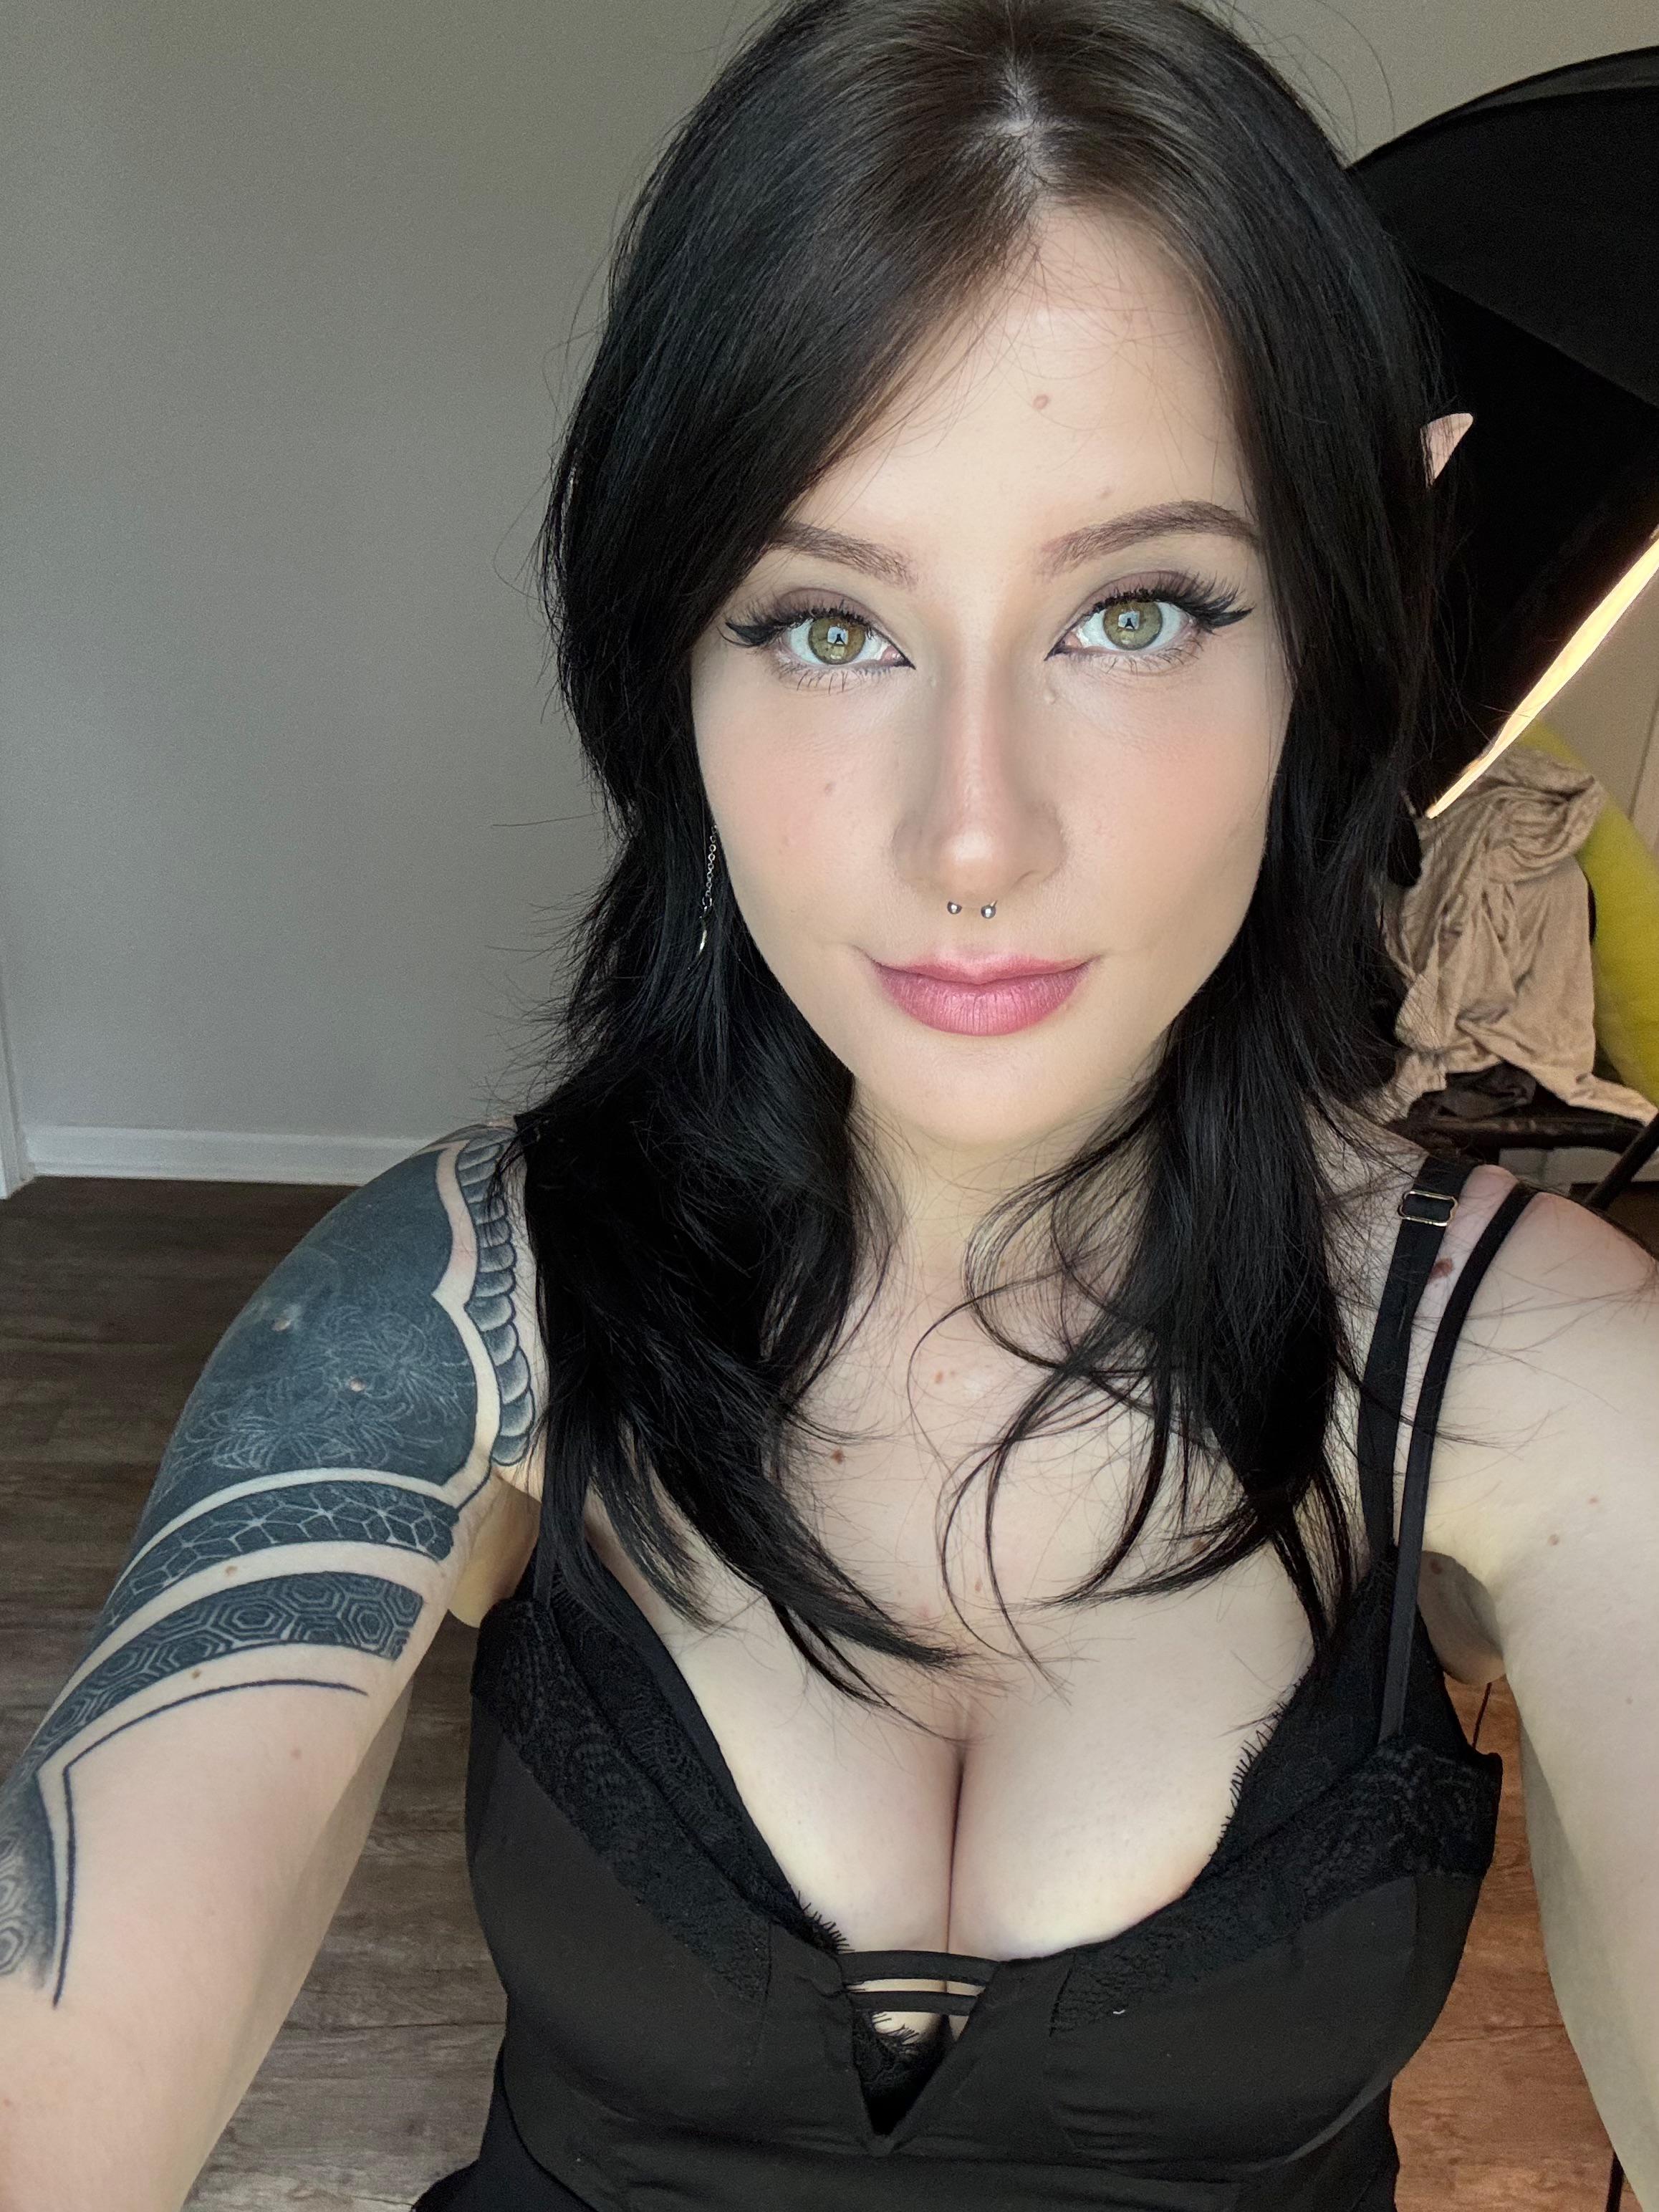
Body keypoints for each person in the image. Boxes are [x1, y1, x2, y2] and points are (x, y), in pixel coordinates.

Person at [2, 2, 1656, 2207]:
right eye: (824, 625)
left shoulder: (1562, 1386)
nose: (971, 833)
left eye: (1135, 613)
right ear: (668, 650)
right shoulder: (462, 1313)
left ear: (1347, 599)